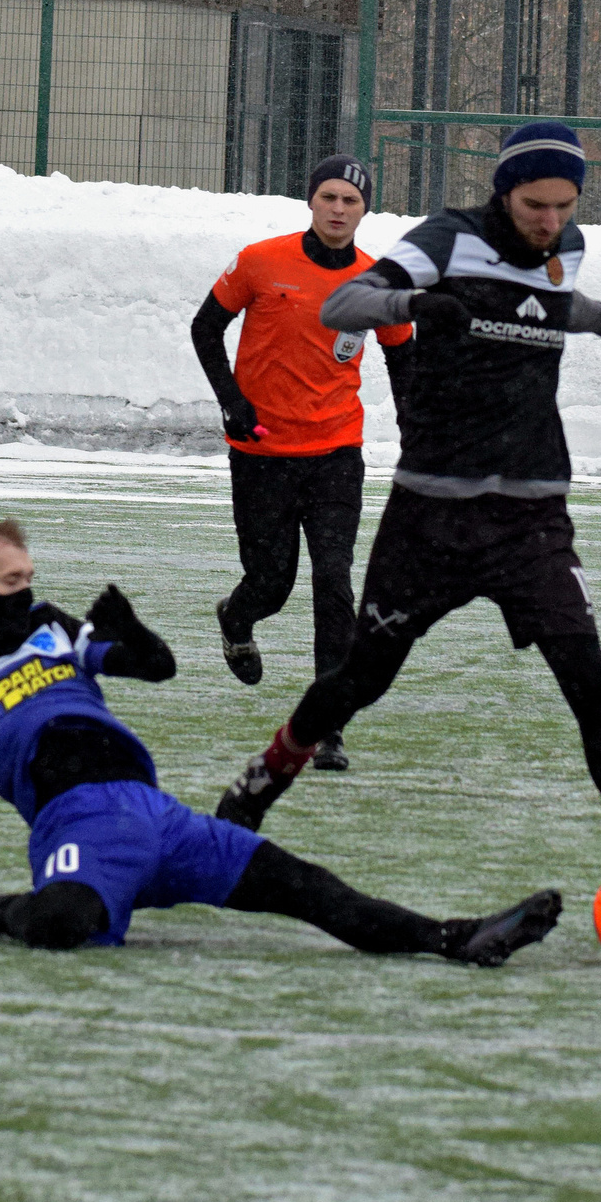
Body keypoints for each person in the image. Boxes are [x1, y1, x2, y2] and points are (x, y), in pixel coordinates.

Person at [212, 122, 601, 870]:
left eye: (565, 205)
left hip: (532, 517)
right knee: (360, 679)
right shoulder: (446, 240)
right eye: (535, 204)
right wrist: (413, 307)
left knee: (592, 685)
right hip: (431, 514)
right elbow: (344, 306)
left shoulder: (566, 247)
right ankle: (255, 790)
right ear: (503, 189)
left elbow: (559, 308)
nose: (550, 222)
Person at [0, 515, 561, 965]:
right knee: (61, 924)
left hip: (158, 816)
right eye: (10, 582)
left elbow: (157, 667)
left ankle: (455, 937)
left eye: (31, 576)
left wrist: (130, 633)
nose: (27, 593)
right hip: (77, 826)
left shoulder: (52, 630)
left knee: (313, 889)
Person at [193, 155, 413, 772]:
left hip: (336, 455)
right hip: (262, 454)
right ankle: (237, 617)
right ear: (311, 202)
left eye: (351, 201)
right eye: (329, 197)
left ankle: (327, 725)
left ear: (365, 210)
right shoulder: (261, 261)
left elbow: (404, 358)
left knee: (334, 581)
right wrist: (233, 404)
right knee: (272, 582)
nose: (339, 209)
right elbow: (204, 330)